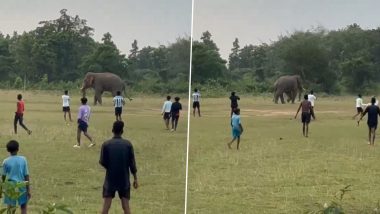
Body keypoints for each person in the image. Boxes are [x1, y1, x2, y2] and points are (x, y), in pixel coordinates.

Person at [100, 121, 138, 214]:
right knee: (126, 206)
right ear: (122, 131)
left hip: (110, 178)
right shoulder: (128, 145)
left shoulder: (106, 144)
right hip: (124, 179)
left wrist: (111, 167)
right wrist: (135, 178)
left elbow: (103, 162)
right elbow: (132, 163)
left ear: (112, 130)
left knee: (106, 206)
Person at [1, 140, 30, 214]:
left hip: (10, 185)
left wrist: (2, 188)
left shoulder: (5, 161)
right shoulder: (23, 159)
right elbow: (26, 175)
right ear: (18, 149)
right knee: (23, 207)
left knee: (10, 208)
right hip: (22, 184)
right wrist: (28, 190)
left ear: (8, 150)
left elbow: (3, 177)